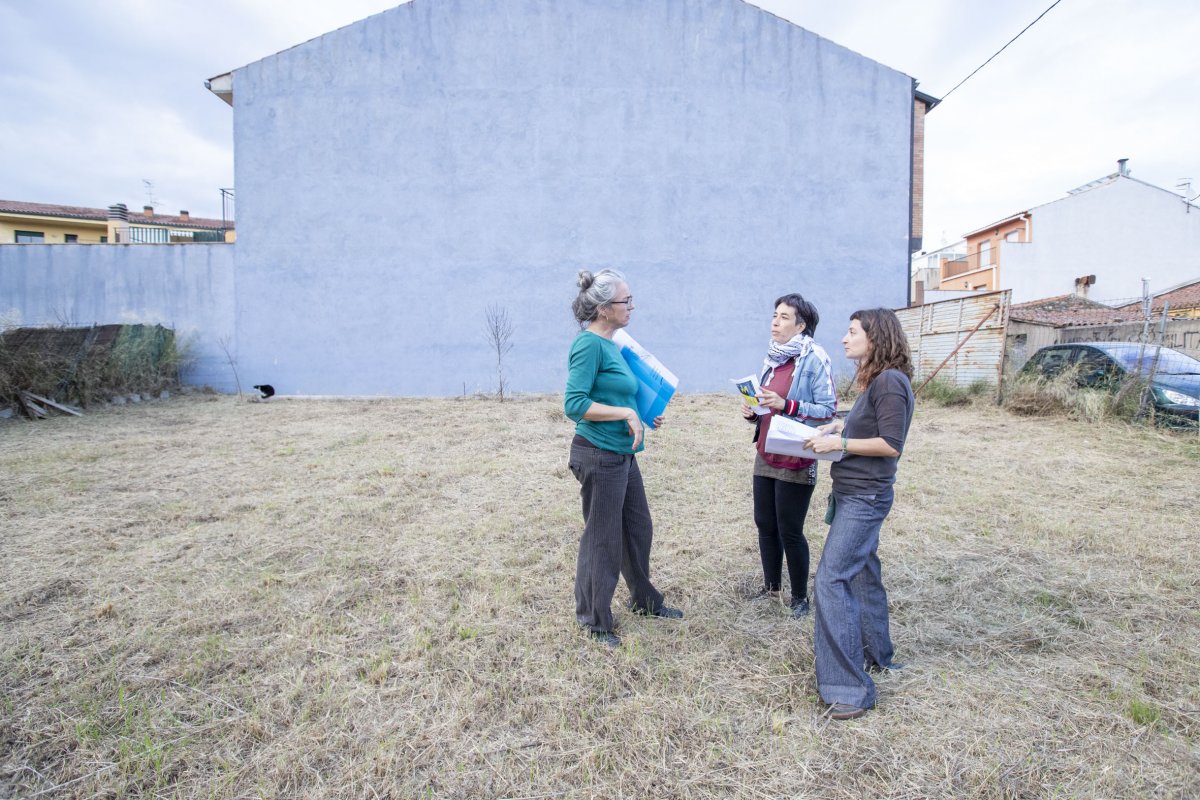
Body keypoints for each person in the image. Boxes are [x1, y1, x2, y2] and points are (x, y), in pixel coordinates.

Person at [563, 269, 683, 648]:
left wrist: (644, 412)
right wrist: (626, 415)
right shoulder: (588, 346)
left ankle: (645, 600)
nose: (631, 306)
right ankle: (594, 620)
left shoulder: (614, 343)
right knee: (603, 539)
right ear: (602, 309)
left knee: (638, 527)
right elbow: (575, 404)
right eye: (624, 301)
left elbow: (616, 391)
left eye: (631, 299)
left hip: (622, 454)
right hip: (598, 453)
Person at [805, 308, 914, 721]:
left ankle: (849, 690)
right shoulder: (879, 381)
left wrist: (841, 444)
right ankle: (875, 655)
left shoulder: (890, 382)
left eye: (852, 332)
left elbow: (890, 443)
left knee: (832, 579)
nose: (845, 338)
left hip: (864, 499)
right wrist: (839, 427)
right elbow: (869, 428)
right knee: (864, 575)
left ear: (876, 337)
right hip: (856, 493)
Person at [740, 294, 837, 618]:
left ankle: (799, 598)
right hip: (766, 450)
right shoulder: (774, 358)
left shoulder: (815, 358)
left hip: (797, 455)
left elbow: (827, 411)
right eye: (774, 315)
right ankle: (771, 588)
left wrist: (787, 405)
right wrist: (753, 412)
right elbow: (770, 404)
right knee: (765, 523)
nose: (774, 322)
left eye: (783, 317)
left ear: (801, 324)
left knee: (789, 529)